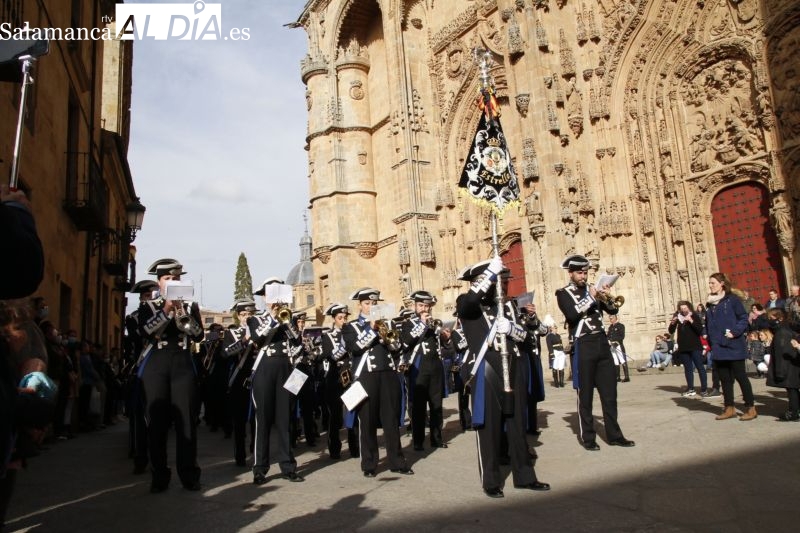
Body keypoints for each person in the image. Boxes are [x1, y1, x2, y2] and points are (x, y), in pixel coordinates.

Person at [457, 258, 549, 498]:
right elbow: (467, 306)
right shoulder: (469, 303)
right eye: (499, 280)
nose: (504, 286)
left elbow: (524, 338)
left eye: (504, 281)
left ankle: (525, 476)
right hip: (487, 369)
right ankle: (491, 480)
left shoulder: (507, 306)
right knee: (489, 427)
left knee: (517, 424)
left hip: (513, 366)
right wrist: (489, 274)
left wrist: (513, 328)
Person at [137, 258, 204, 492]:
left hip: (183, 363)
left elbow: (198, 336)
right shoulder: (149, 306)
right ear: (159, 282)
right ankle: (159, 475)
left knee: (186, 421)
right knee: (157, 422)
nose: (172, 281)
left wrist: (183, 315)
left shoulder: (190, 305)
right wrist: (166, 309)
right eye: (167, 278)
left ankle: (189, 474)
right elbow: (144, 331)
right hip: (157, 363)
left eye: (176, 278)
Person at [555, 254, 634, 451]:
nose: (583, 276)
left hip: (601, 342)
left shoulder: (593, 290)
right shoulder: (563, 293)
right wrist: (591, 297)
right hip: (583, 344)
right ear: (571, 273)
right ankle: (589, 437)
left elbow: (612, 309)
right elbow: (572, 315)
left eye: (585, 272)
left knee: (609, 394)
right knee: (586, 395)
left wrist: (606, 295)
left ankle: (615, 435)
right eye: (580, 273)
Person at [342, 288, 411, 478]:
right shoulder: (352, 327)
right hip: (366, 376)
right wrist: (371, 329)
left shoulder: (387, 323)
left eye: (374, 304)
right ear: (360, 305)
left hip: (388, 375)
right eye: (367, 304)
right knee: (368, 421)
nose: (371, 307)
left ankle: (397, 460)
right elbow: (355, 348)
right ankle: (369, 463)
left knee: (391, 420)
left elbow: (398, 349)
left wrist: (388, 337)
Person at [248, 278, 304, 484]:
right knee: (262, 419)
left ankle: (288, 465)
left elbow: (296, 341)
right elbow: (257, 338)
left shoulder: (288, 317)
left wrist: (287, 321)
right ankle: (260, 468)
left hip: (285, 368)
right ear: (264, 297)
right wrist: (272, 317)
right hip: (264, 368)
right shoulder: (255, 318)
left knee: (284, 419)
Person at [400, 290, 447, 451]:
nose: (424, 309)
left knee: (436, 405)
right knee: (418, 406)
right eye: (421, 305)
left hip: (435, 367)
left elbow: (442, 347)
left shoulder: (434, 324)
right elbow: (405, 343)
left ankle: (436, 438)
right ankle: (418, 440)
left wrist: (444, 338)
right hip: (418, 367)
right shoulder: (407, 324)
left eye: (426, 306)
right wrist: (421, 324)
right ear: (414, 306)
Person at [705, 272, 756, 421]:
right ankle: (729, 408)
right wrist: (707, 336)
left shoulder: (732, 300)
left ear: (722, 284)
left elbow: (743, 318)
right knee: (725, 379)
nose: (710, 285)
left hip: (733, 345)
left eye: (713, 282)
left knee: (741, 377)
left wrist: (735, 332)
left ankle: (750, 408)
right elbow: (709, 323)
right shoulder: (710, 304)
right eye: (709, 283)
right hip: (718, 346)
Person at [320, 303, 359, 460]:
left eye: (345, 317)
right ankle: (335, 448)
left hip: (351, 376)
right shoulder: (327, 337)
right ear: (334, 319)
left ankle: (355, 447)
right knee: (335, 416)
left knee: (353, 412)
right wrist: (344, 344)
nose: (343, 320)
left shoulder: (352, 333)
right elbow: (332, 356)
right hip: (335, 378)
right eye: (340, 318)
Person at [223, 300, 257, 467]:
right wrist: (244, 340)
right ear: (238, 316)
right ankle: (240, 454)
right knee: (239, 421)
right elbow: (225, 353)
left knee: (257, 419)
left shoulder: (262, 332)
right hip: (239, 380)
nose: (247, 317)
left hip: (257, 377)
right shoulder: (232, 333)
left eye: (250, 314)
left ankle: (256, 449)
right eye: (244, 315)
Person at [765, 309, 800, 421]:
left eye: (771, 318)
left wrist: (780, 372)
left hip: (789, 367)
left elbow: (782, 355)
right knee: (793, 389)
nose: (769, 321)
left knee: (792, 389)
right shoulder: (784, 329)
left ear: (780, 318)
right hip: (791, 366)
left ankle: (793, 412)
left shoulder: (782, 332)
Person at [669, 301, 708, 397]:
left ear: (689, 307)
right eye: (681, 308)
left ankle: (704, 389)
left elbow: (699, 330)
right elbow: (671, 331)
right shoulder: (678, 318)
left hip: (695, 346)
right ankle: (690, 388)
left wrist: (691, 321)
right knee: (688, 368)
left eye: (685, 308)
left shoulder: (694, 316)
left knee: (700, 367)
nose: (683, 310)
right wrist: (673, 323)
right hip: (683, 347)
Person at [606, 315, 630, 382]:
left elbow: (622, 336)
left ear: (616, 318)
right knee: (615, 361)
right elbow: (608, 336)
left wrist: (615, 342)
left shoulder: (620, 326)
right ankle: (617, 377)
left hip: (618, 345)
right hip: (611, 346)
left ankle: (627, 377)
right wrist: (608, 341)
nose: (611, 319)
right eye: (610, 318)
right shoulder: (610, 327)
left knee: (622, 360)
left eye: (612, 318)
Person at [544, 321, 566, 388]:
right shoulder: (549, 336)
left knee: (561, 367)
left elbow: (561, 344)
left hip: (560, 351)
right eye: (554, 328)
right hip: (555, 351)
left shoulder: (558, 335)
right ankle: (556, 383)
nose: (556, 329)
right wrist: (551, 354)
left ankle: (561, 382)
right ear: (551, 329)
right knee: (555, 367)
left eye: (556, 328)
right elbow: (549, 346)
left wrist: (563, 351)